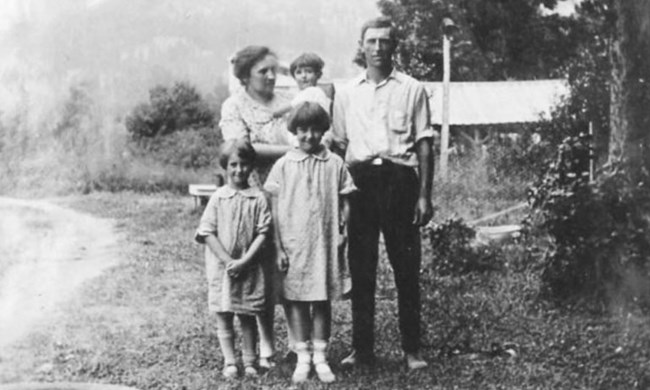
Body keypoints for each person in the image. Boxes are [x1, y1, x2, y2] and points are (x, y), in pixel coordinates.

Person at [331, 16, 435, 370]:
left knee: (406, 267)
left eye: (385, 41)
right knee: (361, 269)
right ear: (362, 46)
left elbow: (423, 145)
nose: (378, 48)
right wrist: (341, 199)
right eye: (371, 41)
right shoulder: (345, 93)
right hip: (359, 182)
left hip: (400, 180)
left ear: (395, 46)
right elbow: (339, 147)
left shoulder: (412, 89)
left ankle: (412, 350)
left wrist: (424, 195)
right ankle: (362, 350)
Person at [264, 102, 357, 383]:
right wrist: (279, 246)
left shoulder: (335, 163)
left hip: (325, 241)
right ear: (294, 131)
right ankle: (303, 357)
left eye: (315, 130)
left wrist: (344, 231)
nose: (308, 136)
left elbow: (346, 201)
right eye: (302, 130)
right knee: (297, 300)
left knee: (322, 298)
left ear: (323, 131)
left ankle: (320, 356)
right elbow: (275, 210)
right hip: (295, 244)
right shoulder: (283, 165)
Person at [218, 45, 292, 368]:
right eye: (264, 71)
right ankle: (266, 344)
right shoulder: (234, 106)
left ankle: (296, 340)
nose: (272, 76)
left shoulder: (285, 105)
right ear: (246, 75)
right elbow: (242, 148)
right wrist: (288, 151)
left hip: (289, 191)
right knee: (259, 268)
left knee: (289, 262)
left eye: (274, 70)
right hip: (252, 194)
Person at [194, 139, 272, 378]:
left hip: (249, 267)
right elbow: (206, 232)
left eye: (244, 164)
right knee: (224, 314)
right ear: (225, 167)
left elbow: (263, 232)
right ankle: (230, 361)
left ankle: (249, 360)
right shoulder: (218, 198)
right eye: (234, 165)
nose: (239, 170)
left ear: (252, 167)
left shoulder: (258, 198)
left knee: (247, 314)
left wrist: (245, 261)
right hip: (223, 269)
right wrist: (228, 261)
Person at [272, 52, 332, 118]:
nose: (303, 76)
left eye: (309, 71)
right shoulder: (305, 94)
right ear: (294, 76)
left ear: (318, 75)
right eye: (299, 72)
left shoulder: (313, 91)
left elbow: (278, 112)